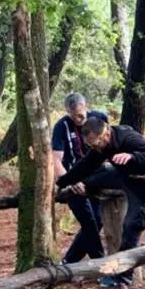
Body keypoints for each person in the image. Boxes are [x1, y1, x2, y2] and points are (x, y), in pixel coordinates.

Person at [57, 118, 145, 289]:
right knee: (89, 181)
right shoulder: (100, 147)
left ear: (106, 134)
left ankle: (123, 284)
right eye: (90, 145)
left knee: (130, 228)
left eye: (96, 143)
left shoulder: (128, 138)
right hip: (122, 177)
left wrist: (133, 157)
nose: (95, 148)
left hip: (144, 187)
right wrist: (60, 183)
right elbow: (85, 165)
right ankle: (75, 256)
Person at [51, 93, 110, 272]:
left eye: (80, 115)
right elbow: (56, 160)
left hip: (95, 180)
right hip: (72, 182)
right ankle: (101, 267)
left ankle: (70, 262)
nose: (77, 119)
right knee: (88, 222)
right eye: (72, 115)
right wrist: (69, 181)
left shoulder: (99, 118)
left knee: (98, 221)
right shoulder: (61, 127)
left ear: (86, 106)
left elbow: (109, 145)